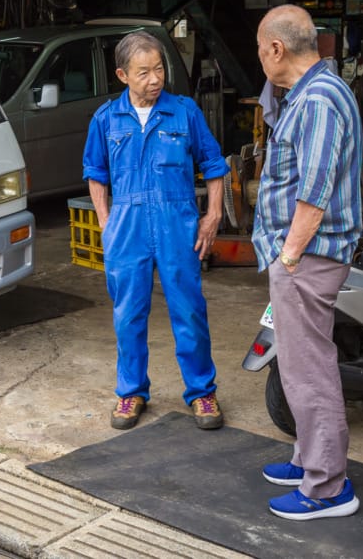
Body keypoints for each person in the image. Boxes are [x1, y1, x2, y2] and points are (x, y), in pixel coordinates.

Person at [82, 31, 228, 431]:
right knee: (128, 315)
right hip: (126, 227)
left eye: (159, 68)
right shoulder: (106, 119)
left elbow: (214, 165)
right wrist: (105, 223)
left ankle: (202, 392)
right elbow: (95, 173)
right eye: (144, 72)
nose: (155, 78)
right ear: (122, 75)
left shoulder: (184, 112)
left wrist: (212, 215)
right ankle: (131, 393)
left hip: (176, 224)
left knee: (189, 311)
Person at [251, 4, 363, 521]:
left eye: (260, 49)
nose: (259, 60)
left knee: (308, 370)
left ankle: (327, 488)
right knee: (299, 365)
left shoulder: (318, 99)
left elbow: (314, 193)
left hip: (308, 256)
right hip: (304, 256)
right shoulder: (311, 90)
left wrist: (288, 256)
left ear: (276, 49)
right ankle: (308, 459)